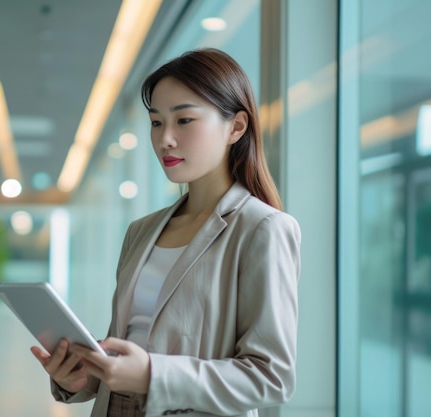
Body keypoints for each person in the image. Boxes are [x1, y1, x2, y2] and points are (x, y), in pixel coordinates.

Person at [31, 48, 301, 417]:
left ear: (236, 127)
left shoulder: (262, 228)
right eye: (156, 123)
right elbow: (128, 347)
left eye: (184, 120)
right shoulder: (141, 232)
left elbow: (272, 377)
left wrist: (152, 375)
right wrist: (81, 376)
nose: (165, 140)